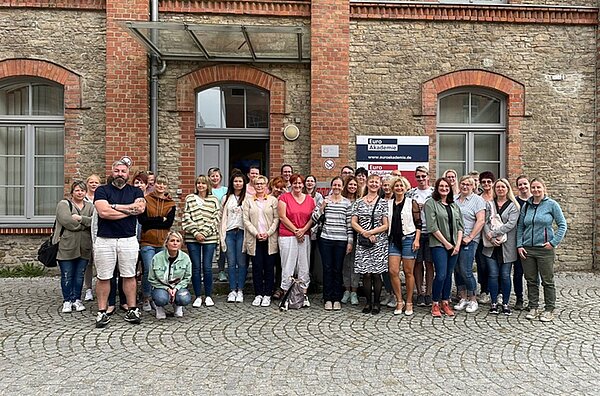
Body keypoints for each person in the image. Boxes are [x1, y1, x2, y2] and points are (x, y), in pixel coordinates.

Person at [93, 158, 146, 327]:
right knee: (104, 276)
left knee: (129, 275)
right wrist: (128, 210)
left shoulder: (136, 192)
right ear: (112, 172)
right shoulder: (101, 190)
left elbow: (139, 209)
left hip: (128, 239)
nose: (120, 174)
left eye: (123, 171)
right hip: (105, 240)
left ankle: (132, 309)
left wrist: (114, 207)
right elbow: (103, 213)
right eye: (117, 171)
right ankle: (102, 311)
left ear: (128, 173)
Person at [517, 178, 567, 322]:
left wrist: (553, 242)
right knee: (531, 280)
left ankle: (549, 309)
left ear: (544, 188)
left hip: (544, 249)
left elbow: (562, 225)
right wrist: (519, 245)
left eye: (538, 187)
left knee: (547, 280)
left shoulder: (552, 205)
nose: (535, 190)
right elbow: (520, 227)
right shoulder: (527, 205)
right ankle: (533, 307)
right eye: (533, 187)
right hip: (527, 249)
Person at [312, 176, 353, 311]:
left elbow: (349, 225)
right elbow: (314, 218)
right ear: (331, 186)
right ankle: (327, 298)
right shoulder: (325, 201)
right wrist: (322, 207)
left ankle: (337, 298)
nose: (336, 187)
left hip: (341, 240)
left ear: (342, 187)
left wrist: (350, 242)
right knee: (327, 269)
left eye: (339, 185)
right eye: (334, 185)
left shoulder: (347, 203)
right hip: (326, 239)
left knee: (337, 269)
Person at [425, 177, 463, 317]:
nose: (444, 188)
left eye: (446, 186)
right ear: (436, 187)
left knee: (448, 275)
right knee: (440, 274)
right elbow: (432, 226)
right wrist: (446, 243)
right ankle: (435, 303)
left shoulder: (454, 205)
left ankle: (445, 302)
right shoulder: (431, 203)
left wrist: (457, 244)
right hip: (439, 245)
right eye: (441, 186)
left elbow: (460, 226)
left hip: (454, 245)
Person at [351, 174, 389, 315]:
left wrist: (372, 232)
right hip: (363, 241)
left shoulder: (383, 203)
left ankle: (377, 302)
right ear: (367, 183)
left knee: (376, 274)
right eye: (371, 182)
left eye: (376, 182)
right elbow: (354, 222)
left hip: (379, 242)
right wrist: (364, 233)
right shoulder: (358, 202)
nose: (373, 184)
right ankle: (368, 302)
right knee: (366, 274)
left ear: (380, 185)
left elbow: (385, 225)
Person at [482, 178, 520, 316]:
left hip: (507, 246)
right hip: (491, 245)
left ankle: (505, 303)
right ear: (495, 189)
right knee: (492, 275)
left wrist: (495, 233)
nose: (500, 189)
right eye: (498, 187)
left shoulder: (513, 206)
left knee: (505, 275)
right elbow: (484, 222)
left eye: (503, 186)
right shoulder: (489, 204)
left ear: (507, 188)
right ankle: (493, 303)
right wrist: (490, 236)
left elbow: (511, 224)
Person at [138, 175, 176, 312]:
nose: (161, 186)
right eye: (159, 183)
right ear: (154, 185)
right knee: (148, 269)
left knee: (160, 271)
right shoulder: (147, 200)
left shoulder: (170, 203)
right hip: (147, 241)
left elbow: (169, 223)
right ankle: (146, 297)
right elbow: (143, 220)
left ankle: (157, 298)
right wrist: (161, 219)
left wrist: (154, 221)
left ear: (166, 186)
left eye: (163, 184)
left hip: (162, 242)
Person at [182, 174, 221, 308]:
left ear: (207, 185)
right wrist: (196, 232)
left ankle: (209, 295)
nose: (201, 185)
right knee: (196, 267)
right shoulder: (190, 199)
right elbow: (186, 216)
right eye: (198, 183)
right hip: (193, 238)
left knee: (207, 267)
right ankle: (198, 295)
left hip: (209, 238)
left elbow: (216, 218)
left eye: (203, 183)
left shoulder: (214, 200)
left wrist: (204, 233)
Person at [55, 181, 94, 313]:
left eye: (82, 190)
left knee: (79, 275)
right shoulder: (64, 204)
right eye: (77, 190)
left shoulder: (90, 206)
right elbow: (67, 221)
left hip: (84, 246)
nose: (80, 193)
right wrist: (84, 223)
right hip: (67, 246)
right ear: (72, 192)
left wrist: (80, 219)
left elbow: (93, 222)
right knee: (67, 274)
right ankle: (67, 300)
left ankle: (77, 299)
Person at [277, 173, 315, 307]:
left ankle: (303, 295)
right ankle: (286, 295)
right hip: (287, 236)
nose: (297, 185)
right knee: (288, 266)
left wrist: (303, 230)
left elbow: (312, 218)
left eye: (300, 183)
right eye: (295, 183)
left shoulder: (310, 200)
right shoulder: (284, 198)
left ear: (303, 184)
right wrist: (296, 230)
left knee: (304, 266)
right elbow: (282, 217)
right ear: (291, 184)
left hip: (304, 235)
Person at [243, 175, 280, 307]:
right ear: (253, 186)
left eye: (262, 184)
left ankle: (267, 294)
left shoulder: (273, 201)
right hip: (255, 238)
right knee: (257, 267)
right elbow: (246, 220)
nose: (259, 186)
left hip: (269, 239)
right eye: (257, 184)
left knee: (269, 268)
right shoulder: (248, 201)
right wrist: (256, 232)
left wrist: (268, 233)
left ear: (266, 186)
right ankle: (258, 293)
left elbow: (277, 219)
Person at [387, 176, 421, 316]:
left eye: (401, 186)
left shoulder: (411, 202)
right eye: (396, 186)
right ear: (393, 188)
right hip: (393, 240)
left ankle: (409, 302)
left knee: (408, 272)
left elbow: (419, 223)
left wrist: (417, 239)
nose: (399, 188)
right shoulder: (388, 203)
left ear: (405, 188)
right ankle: (399, 300)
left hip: (409, 238)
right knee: (393, 271)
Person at [453, 175, 485, 314]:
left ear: (473, 186)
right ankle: (463, 297)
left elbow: (481, 220)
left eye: (468, 184)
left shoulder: (478, 200)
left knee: (465, 269)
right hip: (455, 239)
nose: (465, 186)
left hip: (469, 239)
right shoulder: (454, 199)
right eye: (463, 183)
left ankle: (473, 299)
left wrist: (470, 237)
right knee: (457, 269)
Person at [406, 166, 435, 307]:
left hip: (432, 233)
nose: (421, 179)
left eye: (423, 176)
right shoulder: (410, 193)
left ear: (428, 176)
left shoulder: (434, 192)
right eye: (418, 177)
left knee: (429, 263)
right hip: (415, 232)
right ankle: (420, 293)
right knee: (417, 264)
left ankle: (429, 292)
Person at [148, 231, 192, 319]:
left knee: (184, 299)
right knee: (161, 299)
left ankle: (178, 305)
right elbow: (152, 278)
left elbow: (187, 278)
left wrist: (176, 289)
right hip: (161, 287)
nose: (175, 243)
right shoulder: (157, 258)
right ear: (166, 243)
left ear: (181, 244)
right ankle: (159, 307)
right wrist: (167, 289)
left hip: (178, 286)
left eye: (178, 241)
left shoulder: (185, 258)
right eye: (172, 241)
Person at [221, 172, 248, 303]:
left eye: (240, 181)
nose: (238, 183)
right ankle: (232, 290)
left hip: (242, 232)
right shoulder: (226, 198)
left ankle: (240, 290)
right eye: (235, 181)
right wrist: (222, 235)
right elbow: (222, 218)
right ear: (232, 183)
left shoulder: (248, 198)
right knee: (231, 263)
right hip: (230, 233)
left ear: (244, 183)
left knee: (242, 263)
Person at [476, 171, 496, 304]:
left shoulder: (498, 196)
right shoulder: (478, 198)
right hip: (481, 237)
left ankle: (496, 290)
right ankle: (484, 290)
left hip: (496, 236)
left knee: (495, 265)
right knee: (482, 265)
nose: (486, 184)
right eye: (484, 182)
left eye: (489, 181)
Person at [513, 175, 532, 310]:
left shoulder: (535, 200)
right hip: (518, 240)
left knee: (532, 274)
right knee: (518, 272)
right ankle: (519, 298)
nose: (523, 187)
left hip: (532, 241)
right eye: (520, 184)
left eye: (525, 184)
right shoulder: (515, 201)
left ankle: (533, 300)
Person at [341, 176, 360, 305]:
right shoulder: (341, 200)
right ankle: (346, 289)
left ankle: (354, 291)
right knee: (345, 264)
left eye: (354, 185)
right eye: (350, 184)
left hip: (358, 236)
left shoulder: (360, 201)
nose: (352, 187)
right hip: (343, 235)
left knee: (355, 264)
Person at [208, 167, 228, 282]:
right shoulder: (207, 190)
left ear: (220, 177)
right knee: (209, 247)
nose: (215, 178)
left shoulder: (225, 190)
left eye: (217, 176)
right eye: (212, 176)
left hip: (222, 222)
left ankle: (221, 271)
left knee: (222, 247)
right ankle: (207, 271)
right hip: (209, 221)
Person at [83, 174, 100, 302]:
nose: (93, 184)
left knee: (100, 263)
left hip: (100, 234)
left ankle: (100, 288)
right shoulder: (83, 199)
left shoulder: (102, 197)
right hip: (86, 235)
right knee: (88, 263)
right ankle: (88, 288)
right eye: (91, 182)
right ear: (87, 183)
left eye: (96, 182)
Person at [269, 176, 287, 299]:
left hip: (283, 234)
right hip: (269, 235)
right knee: (270, 263)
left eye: (282, 188)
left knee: (281, 264)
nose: (279, 190)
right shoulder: (267, 199)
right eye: (277, 187)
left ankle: (279, 288)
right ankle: (269, 287)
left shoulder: (286, 199)